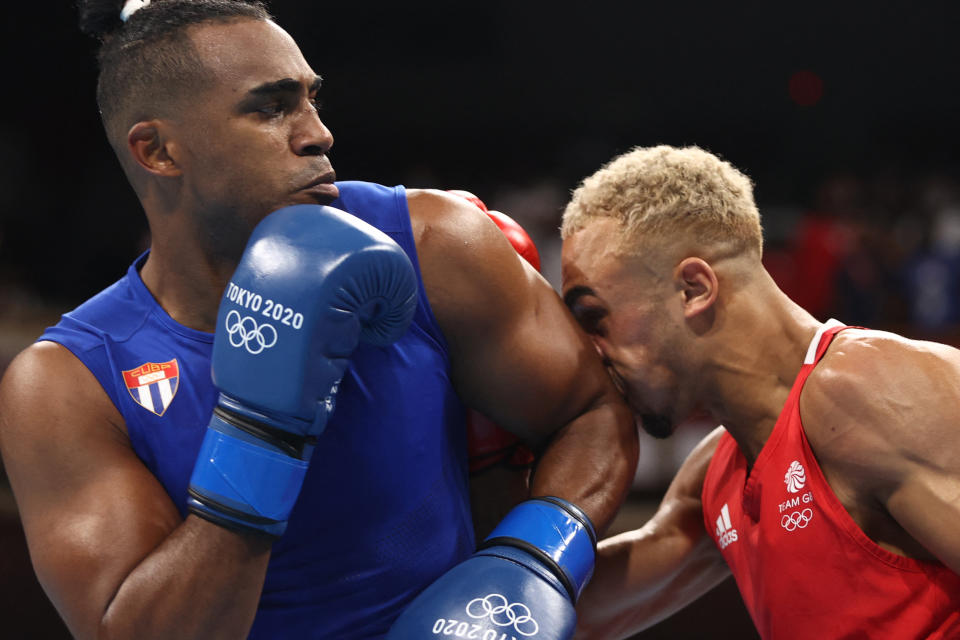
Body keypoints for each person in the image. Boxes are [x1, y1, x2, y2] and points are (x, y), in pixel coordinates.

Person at [0, 1, 638, 639]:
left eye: (312, 100)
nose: (317, 133)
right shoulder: (71, 383)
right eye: (271, 107)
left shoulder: (431, 245)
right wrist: (263, 429)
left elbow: (590, 411)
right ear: (160, 151)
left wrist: (533, 559)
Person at [559, 145, 960, 639]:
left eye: (594, 318)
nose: (592, 353)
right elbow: (562, 612)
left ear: (693, 290)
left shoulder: (876, 391)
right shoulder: (718, 471)